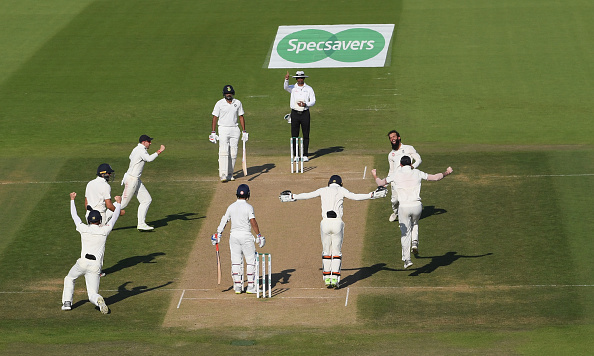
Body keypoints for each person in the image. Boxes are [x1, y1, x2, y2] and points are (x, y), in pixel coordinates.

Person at [279, 175, 387, 288]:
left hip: (325, 223)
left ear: (329, 183)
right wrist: (372, 195)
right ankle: (334, 278)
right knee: (336, 252)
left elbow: (307, 195)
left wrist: (292, 196)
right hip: (337, 223)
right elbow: (356, 197)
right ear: (340, 183)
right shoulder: (342, 190)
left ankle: (327, 278)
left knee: (326, 251)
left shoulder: (323, 190)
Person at [372, 156, 453, 269]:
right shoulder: (417, 172)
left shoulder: (396, 174)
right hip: (417, 206)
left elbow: (381, 183)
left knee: (405, 234)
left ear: (400, 165)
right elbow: (435, 178)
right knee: (415, 223)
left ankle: (407, 260)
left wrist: (374, 175)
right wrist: (447, 172)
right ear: (411, 164)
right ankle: (414, 242)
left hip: (404, 207)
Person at [61, 192, 122, 314]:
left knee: (69, 278)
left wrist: (72, 200)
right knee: (92, 294)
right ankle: (98, 300)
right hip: (96, 266)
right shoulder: (104, 230)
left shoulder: (84, 229)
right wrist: (119, 203)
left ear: (89, 220)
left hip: (82, 263)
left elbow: (75, 216)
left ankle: (67, 303)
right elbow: (114, 217)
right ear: (100, 221)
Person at [211, 184, 265, 294]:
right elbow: (253, 221)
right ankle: (250, 287)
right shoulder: (249, 207)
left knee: (236, 262)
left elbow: (224, 220)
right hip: (246, 237)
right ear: (248, 194)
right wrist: (259, 235)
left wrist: (218, 234)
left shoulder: (231, 207)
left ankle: (238, 286)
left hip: (234, 237)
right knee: (251, 261)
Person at [120, 134, 165, 231]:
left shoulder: (136, 149)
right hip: (132, 179)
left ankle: (141, 224)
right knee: (123, 204)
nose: (150, 143)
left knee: (146, 200)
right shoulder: (141, 150)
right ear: (144, 142)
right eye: (149, 141)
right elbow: (149, 159)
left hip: (135, 179)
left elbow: (130, 157)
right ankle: (103, 218)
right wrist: (159, 151)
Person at [209, 85, 248, 182]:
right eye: (226, 93)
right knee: (223, 152)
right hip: (223, 129)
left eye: (230, 93)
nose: (228, 95)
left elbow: (241, 117)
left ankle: (230, 174)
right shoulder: (219, 103)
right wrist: (213, 132)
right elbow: (215, 117)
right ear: (224, 94)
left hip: (235, 129)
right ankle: (223, 174)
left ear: (232, 93)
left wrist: (244, 131)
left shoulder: (237, 103)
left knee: (233, 153)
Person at [385, 130, 422, 222]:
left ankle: (410, 214)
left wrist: (412, 167)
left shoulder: (409, 148)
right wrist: (386, 181)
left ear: (398, 137)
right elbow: (391, 170)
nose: (392, 139)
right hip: (396, 180)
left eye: (393, 136)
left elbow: (418, 159)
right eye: (390, 138)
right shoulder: (391, 154)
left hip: (408, 178)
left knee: (407, 198)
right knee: (394, 200)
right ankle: (396, 213)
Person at [284, 70, 316, 161]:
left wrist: (306, 104)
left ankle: (305, 155)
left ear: (304, 78)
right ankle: (296, 155)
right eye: (298, 78)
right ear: (296, 79)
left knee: (306, 134)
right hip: (295, 113)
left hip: (305, 113)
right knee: (294, 134)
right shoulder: (293, 88)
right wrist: (286, 80)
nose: (300, 79)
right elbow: (286, 88)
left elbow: (313, 101)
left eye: (301, 78)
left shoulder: (309, 89)